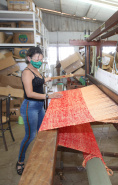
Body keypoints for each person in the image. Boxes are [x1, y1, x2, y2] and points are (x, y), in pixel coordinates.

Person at [16, 47, 63, 175]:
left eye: (41, 59)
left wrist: (45, 80)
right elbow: (30, 93)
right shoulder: (26, 72)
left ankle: (41, 154)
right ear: (29, 58)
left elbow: (38, 82)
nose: (39, 61)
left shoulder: (36, 69)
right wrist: (48, 96)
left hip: (39, 106)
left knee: (43, 131)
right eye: (37, 58)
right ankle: (20, 161)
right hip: (30, 106)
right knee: (30, 136)